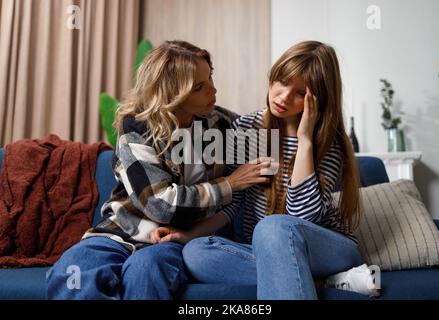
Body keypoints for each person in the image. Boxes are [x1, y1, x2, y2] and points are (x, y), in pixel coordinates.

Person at [46, 40, 270, 300]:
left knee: (145, 273)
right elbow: (160, 205)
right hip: (120, 232)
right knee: (72, 272)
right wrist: (230, 184)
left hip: (172, 240)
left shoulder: (221, 124)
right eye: (199, 87)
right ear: (172, 94)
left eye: (210, 77)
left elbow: (270, 128)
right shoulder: (136, 129)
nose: (214, 89)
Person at [154, 41, 375, 299]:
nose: (282, 96)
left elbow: (304, 218)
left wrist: (304, 142)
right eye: (281, 82)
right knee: (196, 252)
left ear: (318, 99)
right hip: (263, 250)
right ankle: (321, 283)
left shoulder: (327, 140)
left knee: (273, 228)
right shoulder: (246, 127)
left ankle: (314, 274)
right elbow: (232, 203)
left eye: (299, 93)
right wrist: (188, 235)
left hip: (327, 249)